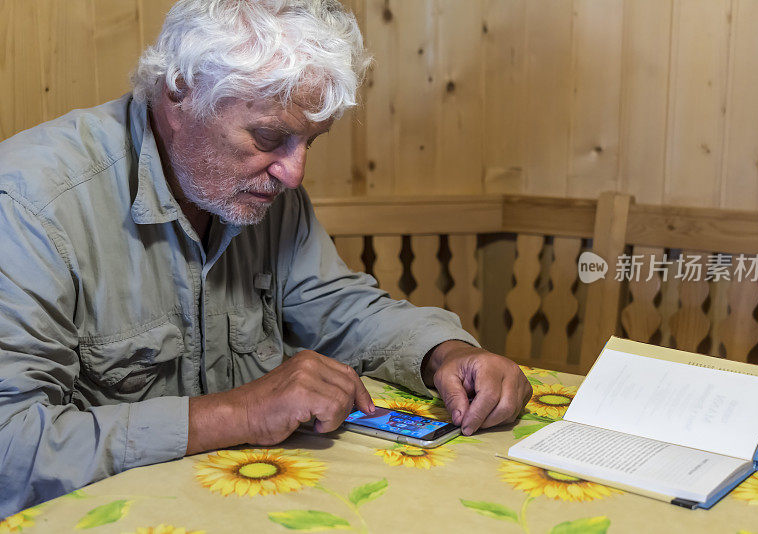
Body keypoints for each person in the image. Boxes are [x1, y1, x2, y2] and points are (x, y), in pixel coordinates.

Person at [0, 0, 531, 515]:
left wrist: (445, 352)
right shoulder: (30, 206)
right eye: (269, 136)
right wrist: (238, 413)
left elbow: (335, 306)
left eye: (310, 142)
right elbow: (10, 446)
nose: (294, 174)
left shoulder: (257, 187)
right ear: (180, 89)